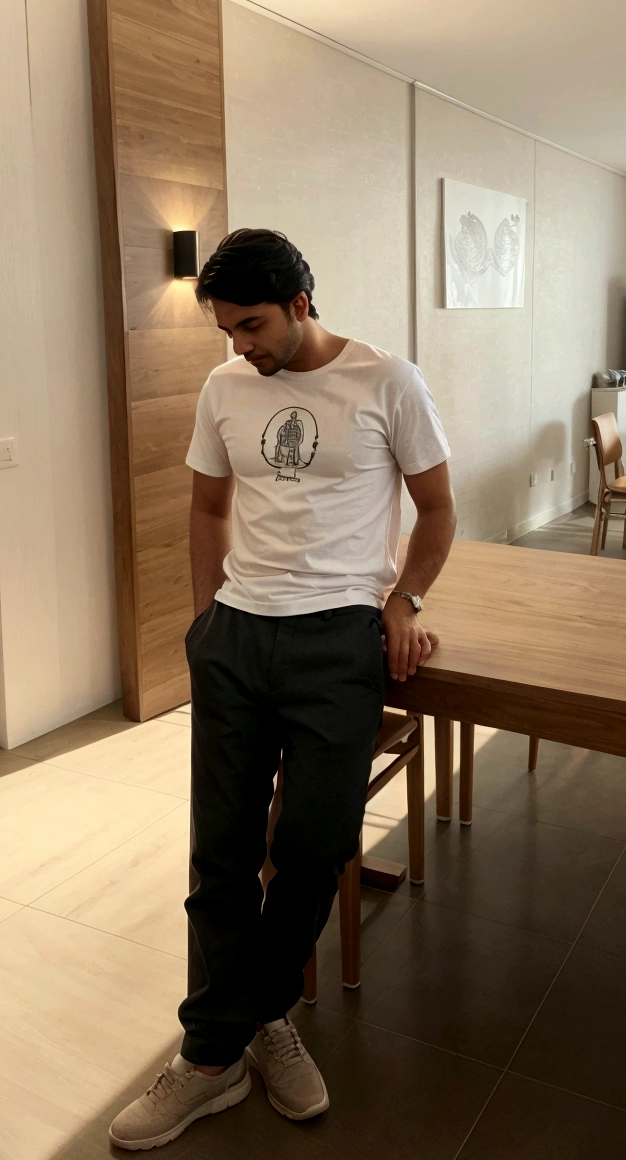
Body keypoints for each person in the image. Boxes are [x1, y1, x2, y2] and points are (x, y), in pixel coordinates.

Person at [109, 228, 456, 1151]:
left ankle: (239, 1026)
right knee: (220, 853)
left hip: (338, 638)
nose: (240, 348)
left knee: (314, 841)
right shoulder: (225, 388)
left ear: (303, 301)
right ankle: (228, 1052)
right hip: (237, 634)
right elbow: (208, 504)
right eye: (227, 330)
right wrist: (200, 621)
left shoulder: (388, 380)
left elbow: (439, 505)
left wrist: (404, 598)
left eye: (252, 326)